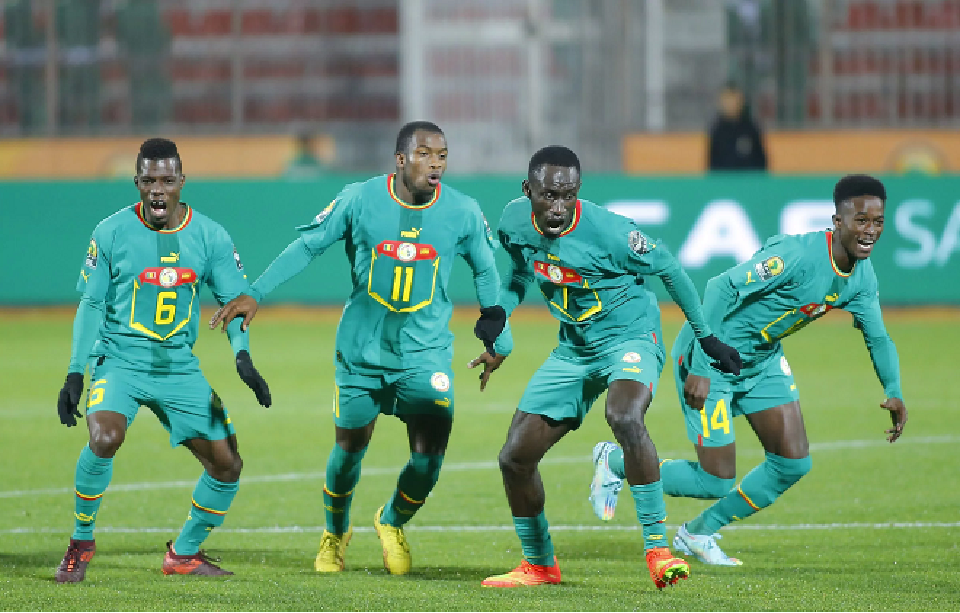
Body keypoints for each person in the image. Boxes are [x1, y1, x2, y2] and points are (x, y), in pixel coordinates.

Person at [209, 120, 509, 575]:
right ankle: (335, 533)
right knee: (349, 450)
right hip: (361, 354)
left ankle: (392, 520)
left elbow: (486, 269)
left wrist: (497, 335)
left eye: (443, 155)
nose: (436, 163)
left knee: (429, 458)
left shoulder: (463, 211)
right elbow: (308, 246)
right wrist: (257, 292)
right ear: (401, 158)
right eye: (426, 154)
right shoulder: (359, 199)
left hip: (424, 354)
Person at [589, 174, 908, 566]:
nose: (870, 231)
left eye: (878, 221)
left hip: (762, 362)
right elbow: (721, 287)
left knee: (793, 463)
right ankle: (614, 462)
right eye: (861, 220)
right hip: (710, 359)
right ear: (838, 220)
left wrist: (893, 388)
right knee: (715, 479)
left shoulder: (862, 277)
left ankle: (699, 532)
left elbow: (878, 336)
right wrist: (705, 364)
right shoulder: (798, 255)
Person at [469, 146, 741, 589]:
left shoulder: (611, 233)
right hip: (573, 349)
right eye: (548, 196)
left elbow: (670, 267)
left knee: (624, 414)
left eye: (568, 196)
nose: (558, 207)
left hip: (630, 337)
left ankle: (658, 550)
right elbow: (520, 274)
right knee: (514, 458)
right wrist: (502, 314)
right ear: (528, 190)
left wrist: (706, 337)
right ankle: (540, 565)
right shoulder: (514, 220)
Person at [54, 138, 272, 583]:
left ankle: (184, 553)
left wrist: (243, 358)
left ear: (181, 183)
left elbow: (233, 302)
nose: (158, 189)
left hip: (178, 367)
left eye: (167, 180)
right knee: (105, 437)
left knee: (227, 463)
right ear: (137, 182)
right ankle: (81, 541)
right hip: (120, 361)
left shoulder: (210, 236)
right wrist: (76, 371)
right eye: (149, 180)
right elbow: (91, 306)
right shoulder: (110, 232)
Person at [707, 82, 768, 172]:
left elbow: (761, 160)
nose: (731, 103)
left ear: (741, 101)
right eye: (727, 99)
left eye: (734, 99)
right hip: (725, 182)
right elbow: (712, 163)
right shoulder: (717, 130)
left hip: (749, 181)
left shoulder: (750, 128)